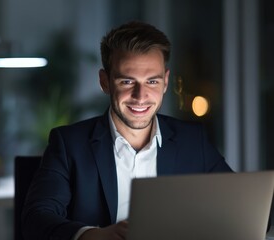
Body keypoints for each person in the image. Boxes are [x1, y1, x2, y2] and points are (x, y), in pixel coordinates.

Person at [21, 20, 233, 240]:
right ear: (105, 82)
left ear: (166, 82)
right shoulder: (69, 144)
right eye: (127, 81)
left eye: (152, 81)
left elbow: (246, 208)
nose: (140, 96)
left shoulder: (192, 140)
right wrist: (94, 236)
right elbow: (36, 220)